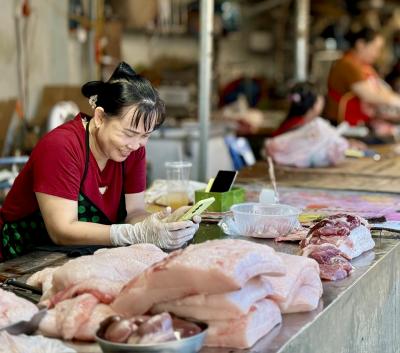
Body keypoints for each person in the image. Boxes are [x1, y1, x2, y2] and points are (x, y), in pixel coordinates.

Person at [0, 62, 200, 261]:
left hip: (70, 256)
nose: (136, 144)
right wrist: (132, 234)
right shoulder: (61, 146)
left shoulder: (134, 149)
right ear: (100, 117)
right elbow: (61, 230)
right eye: (129, 133)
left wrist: (167, 222)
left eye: (145, 135)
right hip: (18, 258)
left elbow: (135, 212)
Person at [325, 26, 400, 133]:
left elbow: (383, 91)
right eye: (375, 48)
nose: (377, 53)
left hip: (361, 125)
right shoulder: (347, 64)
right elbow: (370, 96)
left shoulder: (366, 67)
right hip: (343, 127)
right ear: (360, 44)